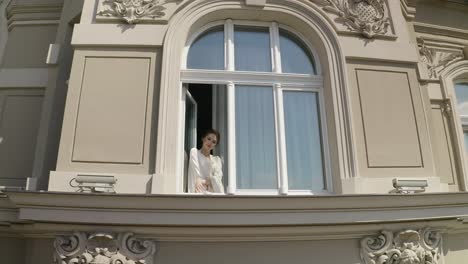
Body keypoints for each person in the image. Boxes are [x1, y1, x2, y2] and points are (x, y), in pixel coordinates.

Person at [188, 129, 224, 193]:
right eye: (209, 139)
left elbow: (218, 180)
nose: (210, 143)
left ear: (215, 145)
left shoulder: (216, 160)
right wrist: (209, 181)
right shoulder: (195, 153)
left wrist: (205, 181)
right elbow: (194, 177)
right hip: (197, 194)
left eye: (214, 142)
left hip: (212, 196)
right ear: (203, 138)